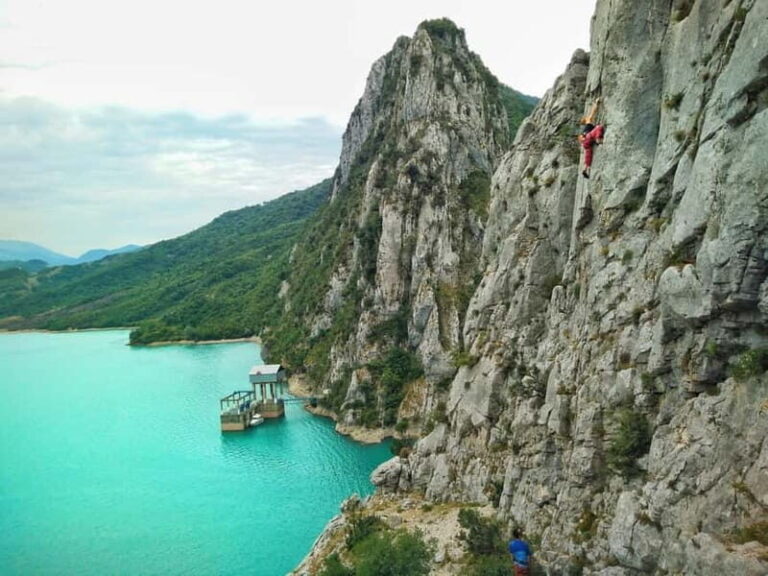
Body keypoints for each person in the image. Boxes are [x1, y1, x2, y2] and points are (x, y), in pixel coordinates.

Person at [577, 98, 605, 179]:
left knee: (588, 156)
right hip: (589, 137)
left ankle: (586, 169)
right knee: (598, 127)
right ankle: (598, 140)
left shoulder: (585, 128)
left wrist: (582, 139)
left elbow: (580, 139)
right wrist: (596, 103)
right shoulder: (588, 121)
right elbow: (593, 111)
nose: (590, 118)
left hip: (585, 143)